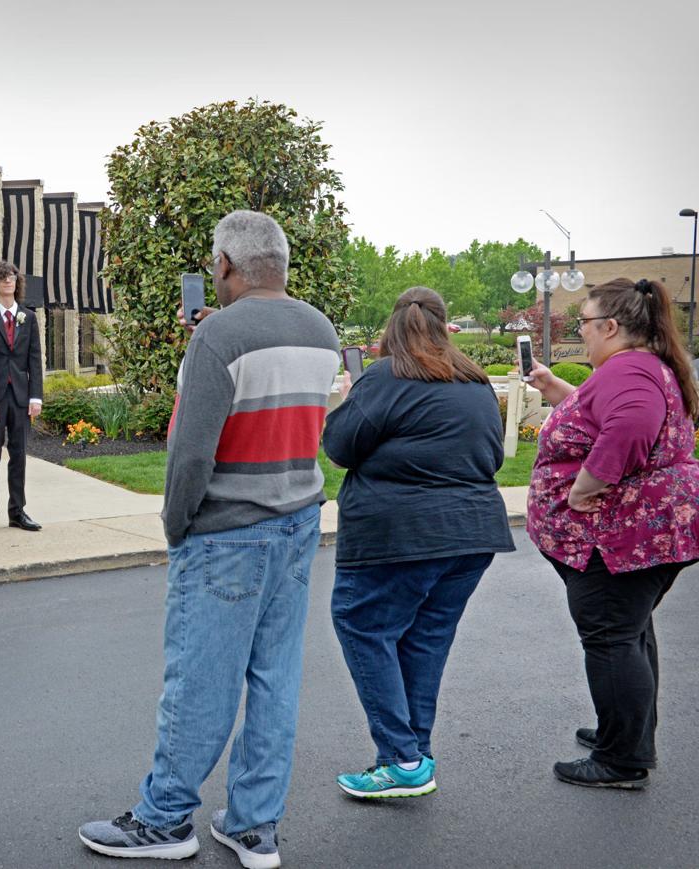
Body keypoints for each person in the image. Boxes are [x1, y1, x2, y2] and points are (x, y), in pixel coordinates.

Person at [79, 211, 340, 869]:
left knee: (200, 679)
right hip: (297, 520)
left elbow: (191, 451)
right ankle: (254, 825)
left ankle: (165, 818)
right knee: (275, 677)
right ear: (281, 263)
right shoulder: (320, 328)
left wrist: (176, 523)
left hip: (228, 527)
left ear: (224, 266)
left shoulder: (218, 335)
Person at [321, 286, 515, 799]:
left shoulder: (385, 377)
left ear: (392, 328)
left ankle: (403, 759)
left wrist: (352, 394)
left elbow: (339, 446)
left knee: (363, 625)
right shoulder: (474, 382)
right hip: (472, 535)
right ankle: (413, 755)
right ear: (443, 325)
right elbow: (489, 457)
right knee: (424, 639)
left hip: (399, 536)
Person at [525, 277, 699, 789]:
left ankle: (622, 759)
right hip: (636, 533)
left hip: (617, 537)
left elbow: (630, 425)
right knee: (628, 632)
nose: (582, 331)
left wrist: (584, 487)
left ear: (610, 326)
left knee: (611, 636)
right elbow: (607, 414)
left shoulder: (631, 372)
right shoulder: (638, 367)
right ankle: (624, 732)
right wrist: (562, 393)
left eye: (583, 322)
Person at [0, 261, 43, 533]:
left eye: (12, 277)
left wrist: (36, 397)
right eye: (3, 277)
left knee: (19, 455)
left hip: (20, 397)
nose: (8, 281)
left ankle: (17, 511)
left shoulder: (28, 316)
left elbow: (35, 359)